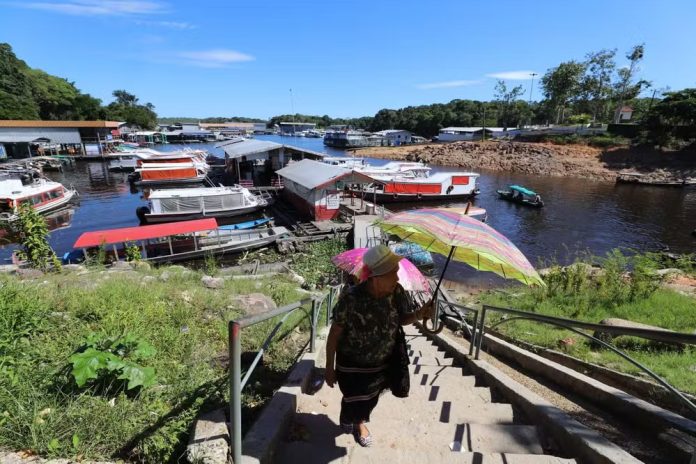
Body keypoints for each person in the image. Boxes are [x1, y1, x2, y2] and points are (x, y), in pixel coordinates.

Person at [324, 244, 434, 447]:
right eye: (393, 274)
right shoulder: (351, 298)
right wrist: (329, 367)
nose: (398, 278)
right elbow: (334, 335)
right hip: (352, 365)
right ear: (376, 277)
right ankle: (355, 421)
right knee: (353, 396)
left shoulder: (396, 292)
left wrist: (420, 314)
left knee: (370, 398)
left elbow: (402, 318)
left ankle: (356, 419)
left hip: (382, 363)